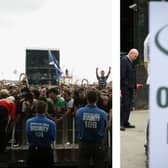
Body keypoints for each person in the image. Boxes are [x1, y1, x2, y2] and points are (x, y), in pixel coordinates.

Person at [76, 90, 107, 168]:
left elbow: (78, 124)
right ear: (97, 99)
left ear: (87, 99)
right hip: (98, 144)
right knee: (99, 164)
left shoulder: (79, 112)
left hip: (84, 144)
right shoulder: (103, 113)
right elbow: (105, 126)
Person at [25, 100, 56, 168]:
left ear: (36, 109)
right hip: (46, 151)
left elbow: (28, 134)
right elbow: (53, 137)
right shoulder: (51, 123)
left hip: (33, 151)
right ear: (46, 109)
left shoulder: (28, 122)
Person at [120, 48, 139, 131]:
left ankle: (125, 122)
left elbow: (132, 74)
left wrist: (134, 86)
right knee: (125, 105)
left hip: (130, 87)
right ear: (131, 53)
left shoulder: (131, 62)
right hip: (126, 87)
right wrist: (127, 85)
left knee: (129, 106)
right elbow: (123, 75)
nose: (135, 58)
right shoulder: (124, 60)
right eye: (135, 56)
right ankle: (121, 123)